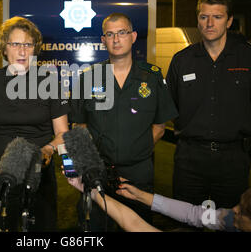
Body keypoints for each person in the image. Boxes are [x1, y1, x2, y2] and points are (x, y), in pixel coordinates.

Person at [166, 0, 251, 210]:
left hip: (232, 161)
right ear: (197, 20)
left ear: (229, 21)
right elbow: (167, 108)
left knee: (232, 223)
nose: (209, 23)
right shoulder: (181, 61)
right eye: (203, 16)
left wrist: (236, 128)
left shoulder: (250, 57)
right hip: (189, 160)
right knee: (184, 223)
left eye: (217, 17)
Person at [69, 13, 178, 231]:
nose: (116, 39)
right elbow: (79, 126)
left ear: (133, 36)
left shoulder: (152, 77)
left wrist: (136, 150)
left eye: (122, 33)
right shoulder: (88, 77)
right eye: (110, 34)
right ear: (103, 40)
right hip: (98, 174)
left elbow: (159, 127)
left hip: (138, 175)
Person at [0, 16, 69, 232]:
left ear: (35, 49)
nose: (22, 51)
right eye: (15, 44)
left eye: (28, 44)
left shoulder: (50, 82)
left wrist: (47, 150)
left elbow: (63, 134)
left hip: (39, 176)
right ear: (4, 48)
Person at [66, 176, 251, 232]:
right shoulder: (228, 219)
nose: (233, 210)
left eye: (242, 213)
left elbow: (135, 225)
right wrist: (142, 196)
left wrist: (92, 192)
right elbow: (193, 214)